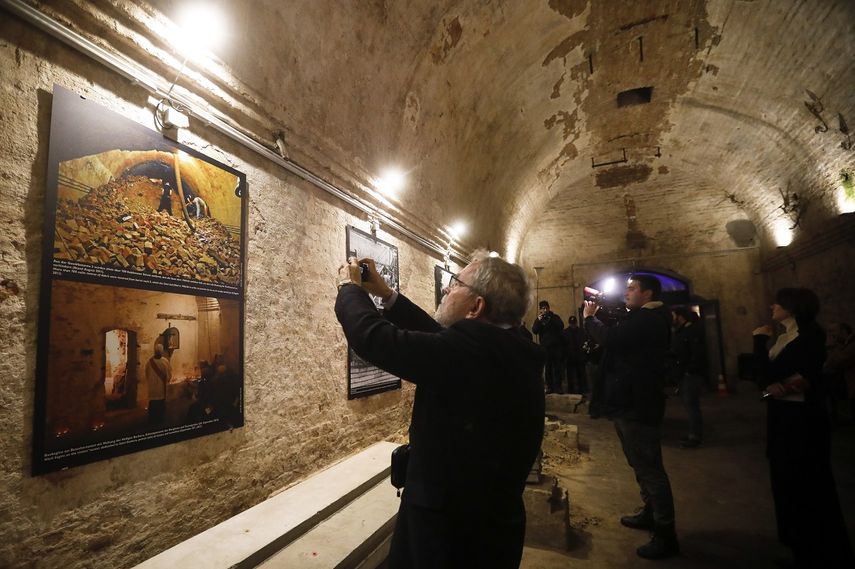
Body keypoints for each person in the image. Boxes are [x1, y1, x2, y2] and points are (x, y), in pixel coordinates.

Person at [335, 251, 545, 569]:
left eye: (455, 283)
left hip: (448, 537)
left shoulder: (470, 354)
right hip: (491, 530)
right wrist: (386, 294)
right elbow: (439, 340)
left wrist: (350, 288)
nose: (446, 289)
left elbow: (374, 339)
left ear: (476, 307)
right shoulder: (505, 347)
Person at [753, 288, 854, 568]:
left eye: (779, 302)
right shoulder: (785, 336)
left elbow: (769, 376)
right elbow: (766, 381)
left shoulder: (810, 336)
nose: (772, 305)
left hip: (802, 423)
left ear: (793, 307)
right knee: (786, 482)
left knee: (807, 484)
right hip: (783, 416)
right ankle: (799, 546)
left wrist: (759, 343)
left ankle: (818, 551)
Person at [583, 274, 678, 559]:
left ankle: (665, 534)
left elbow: (612, 339)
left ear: (648, 294)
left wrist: (590, 318)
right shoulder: (642, 317)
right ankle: (650, 513)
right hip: (631, 401)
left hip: (638, 404)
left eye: (632, 288)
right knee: (640, 464)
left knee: (650, 468)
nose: (627, 292)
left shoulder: (649, 319)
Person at [671, 307, 706, 448]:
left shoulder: (691, 331)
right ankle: (693, 433)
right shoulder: (681, 332)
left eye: (673, 315)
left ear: (679, 317)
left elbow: (697, 353)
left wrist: (689, 371)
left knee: (692, 406)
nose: (671, 318)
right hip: (684, 374)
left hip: (690, 375)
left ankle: (695, 436)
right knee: (689, 405)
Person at [532, 300, 565, 393]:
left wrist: (551, 319)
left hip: (556, 347)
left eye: (546, 308)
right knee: (548, 368)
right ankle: (549, 387)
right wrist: (539, 321)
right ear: (540, 310)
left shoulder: (555, 317)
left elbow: (561, 326)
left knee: (557, 368)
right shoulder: (539, 319)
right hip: (545, 348)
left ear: (549, 308)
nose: (545, 310)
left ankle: (558, 387)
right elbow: (534, 330)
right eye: (543, 308)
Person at [825, 321, 855, 422]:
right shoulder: (842, 345)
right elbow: (830, 363)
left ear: (843, 331)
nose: (831, 334)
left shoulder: (851, 344)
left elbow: (838, 360)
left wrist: (834, 345)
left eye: (833, 331)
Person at [146, 344, 171, 424]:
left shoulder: (149, 362)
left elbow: (146, 374)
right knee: (160, 404)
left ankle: (152, 420)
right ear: (162, 351)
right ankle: (159, 420)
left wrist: (151, 382)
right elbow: (169, 375)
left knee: (153, 404)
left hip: (152, 388)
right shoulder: (165, 361)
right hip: (161, 388)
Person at [562, 315, 586, 393]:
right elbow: (563, 345)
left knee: (581, 374)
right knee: (570, 376)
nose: (573, 325)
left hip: (579, 356)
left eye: (574, 323)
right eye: (571, 324)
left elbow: (584, 342)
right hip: (570, 357)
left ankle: (582, 389)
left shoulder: (581, 331)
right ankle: (571, 390)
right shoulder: (565, 332)